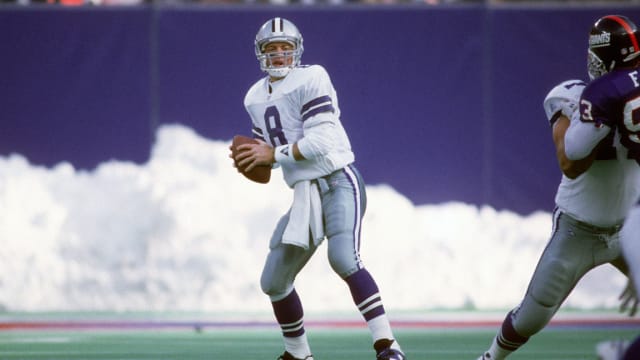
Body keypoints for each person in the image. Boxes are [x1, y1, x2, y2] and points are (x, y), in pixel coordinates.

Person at [230, 17, 406, 360]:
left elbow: (322, 141)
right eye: (272, 49)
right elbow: (267, 153)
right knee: (274, 280)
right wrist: (255, 160)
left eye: (285, 48)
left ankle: (388, 344)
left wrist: (272, 154)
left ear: (297, 51)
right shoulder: (254, 96)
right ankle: (298, 353)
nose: (279, 55)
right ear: (260, 54)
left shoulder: (312, 77)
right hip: (305, 193)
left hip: (338, 179)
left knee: (343, 258)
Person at [476, 15, 640, 360]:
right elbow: (570, 163)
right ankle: (490, 357)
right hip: (578, 229)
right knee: (532, 315)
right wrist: (599, 122)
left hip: (629, 226)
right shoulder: (569, 96)